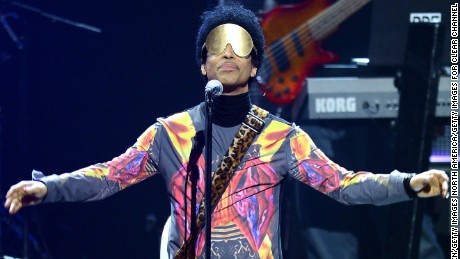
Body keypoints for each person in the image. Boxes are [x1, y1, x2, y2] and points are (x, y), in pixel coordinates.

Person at [4, 4, 449, 259]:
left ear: (256, 65)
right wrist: (48, 188)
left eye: (241, 47)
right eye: (217, 47)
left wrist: (407, 184)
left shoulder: (282, 138)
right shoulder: (171, 134)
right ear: (203, 63)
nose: (229, 54)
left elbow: (344, 186)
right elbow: (109, 177)